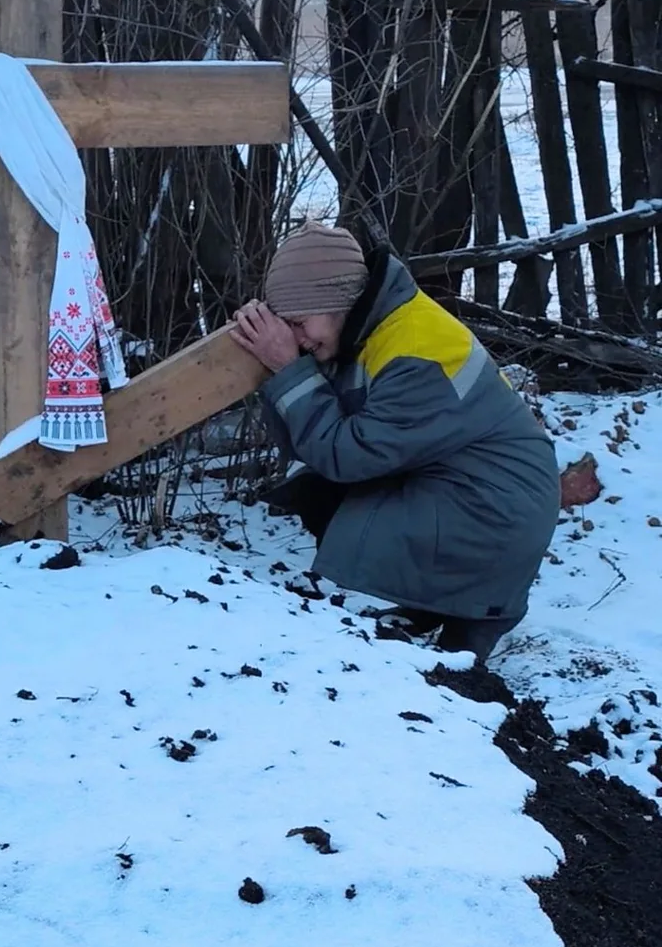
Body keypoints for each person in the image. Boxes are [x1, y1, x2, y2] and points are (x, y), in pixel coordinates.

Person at [229, 221, 561, 663]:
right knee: (318, 488)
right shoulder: (379, 321)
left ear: (338, 303)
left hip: (494, 515)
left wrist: (289, 370)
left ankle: (467, 629)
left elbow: (347, 455)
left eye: (298, 323)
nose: (299, 339)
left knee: (452, 676)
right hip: (477, 493)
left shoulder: (415, 355)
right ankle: (430, 608)